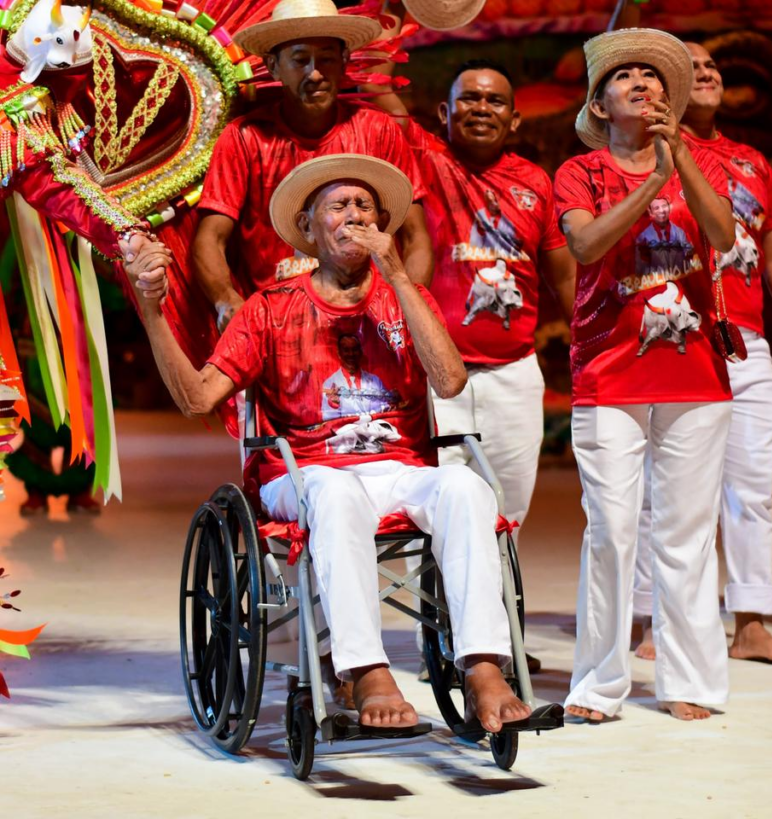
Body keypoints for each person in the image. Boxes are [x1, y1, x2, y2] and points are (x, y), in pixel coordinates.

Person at [127, 153, 532, 732]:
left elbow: (449, 381)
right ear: (309, 231)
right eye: (338, 206)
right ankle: (366, 670)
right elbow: (197, 398)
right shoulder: (269, 308)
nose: (354, 216)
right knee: (337, 494)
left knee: (466, 487)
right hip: (307, 475)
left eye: (365, 206)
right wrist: (151, 310)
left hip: (398, 467)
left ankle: (483, 667)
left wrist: (396, 275)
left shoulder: (404, 295)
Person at [555, 29, 736, 723]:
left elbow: (721, 236)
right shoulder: (580, 173)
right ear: (600, 104)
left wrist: (679, 163)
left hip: (696, 369)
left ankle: (690, 679)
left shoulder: (702, 162)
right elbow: (586, 242)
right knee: (611, 529)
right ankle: (598, 685)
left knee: (687, 532)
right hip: (608, 367)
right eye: (625, 75)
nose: (644, 83)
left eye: (654, 76)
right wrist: (652, 183)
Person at [632, 42, 772, 665]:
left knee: (751, 488)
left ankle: (751, 620)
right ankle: (658, 617)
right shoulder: (644, 148)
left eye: (713, 66)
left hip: (748, 342)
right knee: (666, 492)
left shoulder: (750, 161)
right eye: (693, 66)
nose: (708, 72)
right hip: (676, 335)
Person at [367, 52, 575, 536]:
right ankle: (439, 614)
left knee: (508, 513)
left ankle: (496, 613)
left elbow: (564, 278)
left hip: (515, 376)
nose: (483, 108)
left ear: (514, 118)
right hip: (437, 374)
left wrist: (587, 350)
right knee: (430, 511)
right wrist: (382, 34)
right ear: (445, 113)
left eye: (496, 101)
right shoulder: (424, 158)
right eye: (471, 98)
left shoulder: (536, 183)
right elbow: (379, 88)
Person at [193, 0, 433, 333]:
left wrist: (410, 306)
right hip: (275, 328)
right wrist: (226, 300)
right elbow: (211, 239)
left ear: (345, 62)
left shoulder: (378, 131)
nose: (315, 73)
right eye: (300, 60)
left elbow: (416, 235)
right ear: (274, 66)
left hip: (367, 324)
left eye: (327, 59)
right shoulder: (244, 138)